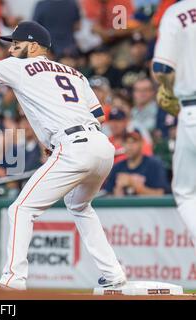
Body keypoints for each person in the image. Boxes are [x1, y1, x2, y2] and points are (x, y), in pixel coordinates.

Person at [0, 21, 126, 289]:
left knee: (20, 208)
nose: (11, 49)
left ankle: (13, 280)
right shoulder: (75, 73)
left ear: (33, 46)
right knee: (79, 206)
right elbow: (98, 115)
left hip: (74, 145)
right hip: (100, 145)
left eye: (16, 44)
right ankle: (113, 274)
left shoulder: (20, 67)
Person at [152, 0, 196, 252]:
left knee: (186, 193)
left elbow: (162, 67)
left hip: (191, 109)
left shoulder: (177, 13)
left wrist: (168, 89)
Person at [103, 129, 169, 196]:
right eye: (126, 142)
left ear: (141, 143)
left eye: (133, 142)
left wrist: (133, 184)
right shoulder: (117, 167)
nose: (129, 146)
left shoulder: (154, 165)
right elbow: (107, 194)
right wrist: (117, 191)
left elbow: (160, 194)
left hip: (147, 206)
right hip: (123, 206)